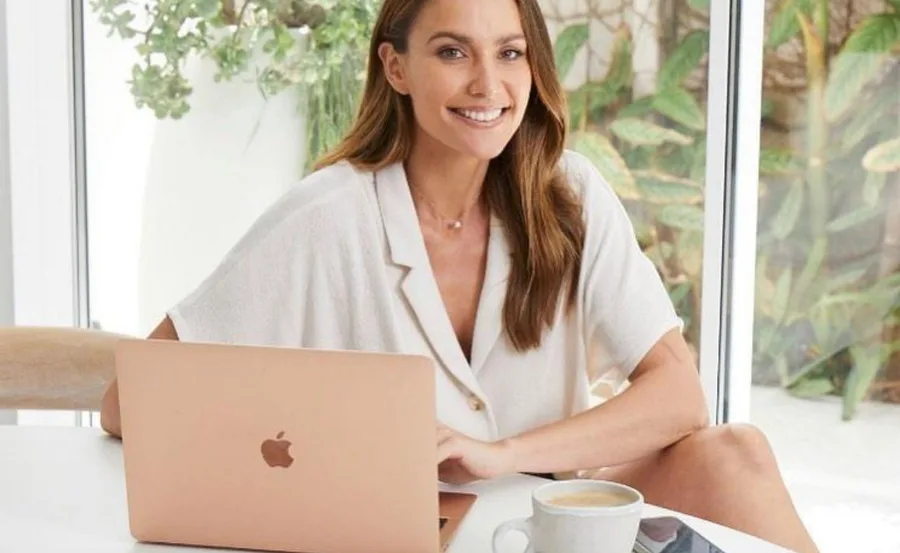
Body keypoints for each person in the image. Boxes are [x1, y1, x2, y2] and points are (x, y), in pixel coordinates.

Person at [100, 0, 818, 551]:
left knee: (737, 452)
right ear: (396, 68)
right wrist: (324, 446)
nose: (489, 84)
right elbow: (126, 403)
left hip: (543, 515)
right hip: (389, 529)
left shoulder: (569, 194)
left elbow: (679, 396)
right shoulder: (324, 216)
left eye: (510, 53)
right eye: (452, 52)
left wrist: (500, 454)